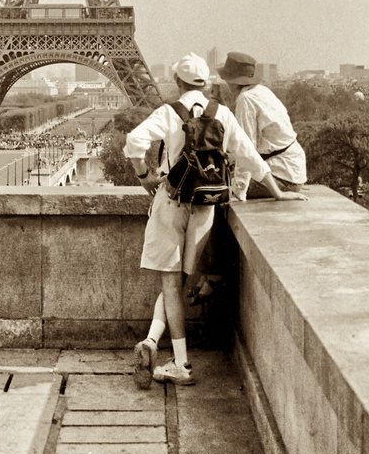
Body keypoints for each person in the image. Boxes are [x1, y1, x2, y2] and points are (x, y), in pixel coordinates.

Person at [125, 52, 306, 388]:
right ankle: (152, 342)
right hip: (205, 207)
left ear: (177, 81)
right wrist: (278, 194)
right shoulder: (221, 112)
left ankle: (180, 362)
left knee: (169, 284)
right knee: (182, 283)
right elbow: (250, 157)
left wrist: (144, 176)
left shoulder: (169, 112)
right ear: (206, 83)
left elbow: (134, 142)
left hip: (171, 202)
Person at [217, 52, 306, 197]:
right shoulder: (262, 91)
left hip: (281, 177)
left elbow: (245, 147)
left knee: (216, 188)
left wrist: (239, 189)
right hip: (292, 172)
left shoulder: (245, 99)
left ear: (232, 81)